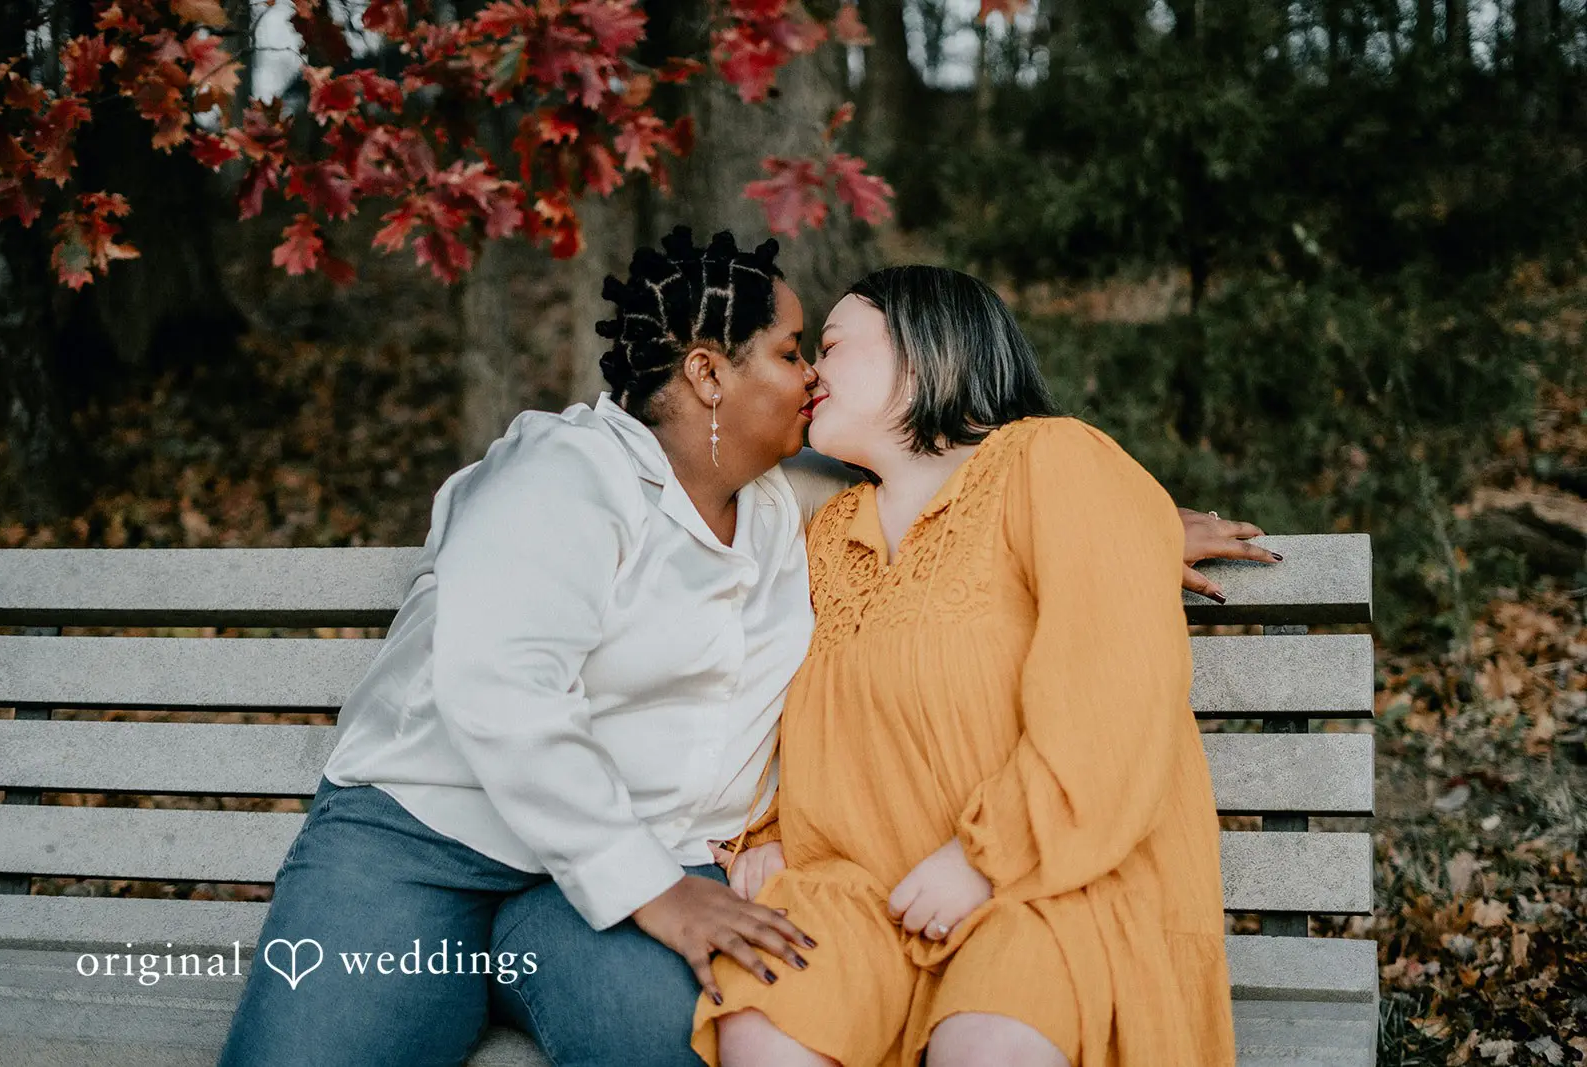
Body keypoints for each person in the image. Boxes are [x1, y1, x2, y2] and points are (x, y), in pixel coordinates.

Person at [217, 229, 1270, 1067]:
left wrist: (1132, 523)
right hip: (427, 843)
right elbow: (502, 680)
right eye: (790, 351)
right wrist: (666, 881)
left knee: (673, 1040)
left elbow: (981, 509)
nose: (810, 371)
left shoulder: (785, 512)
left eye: (826, 348)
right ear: (709, 373)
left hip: (628, 873)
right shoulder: (573, 478)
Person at [694, 266, 1240, 1067]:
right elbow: (772, 707)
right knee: (765, 1016)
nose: (810, 371)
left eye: (833, 345)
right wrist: (766, 834)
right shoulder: (826, 536)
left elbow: (1115, 692)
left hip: (1052, 884)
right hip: (862, 899)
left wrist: (986, 857)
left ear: (926, 350)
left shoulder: (1056, 461)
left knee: (987, 1041)